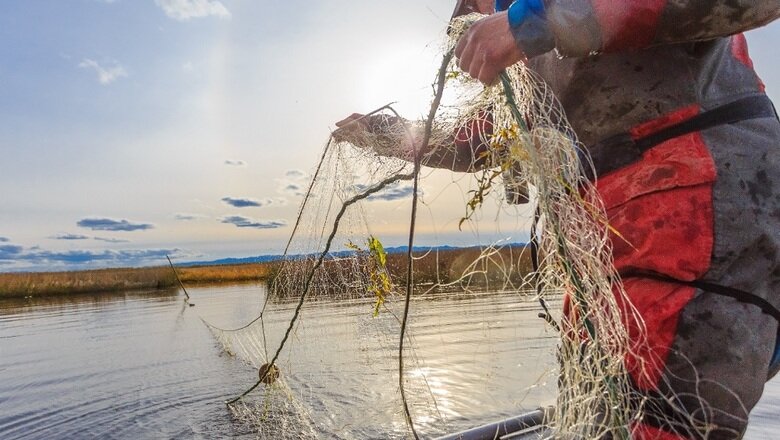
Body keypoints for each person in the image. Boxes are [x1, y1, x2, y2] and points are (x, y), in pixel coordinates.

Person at [336, 0, 780, 438]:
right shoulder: (536, 65)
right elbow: (485, 137)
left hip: (698, 212)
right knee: (595, 418)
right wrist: (387, 135)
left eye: (478, 11)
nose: (475, 20)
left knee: (654, 425)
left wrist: (531, 20)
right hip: (605, 254)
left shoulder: (541, 19)